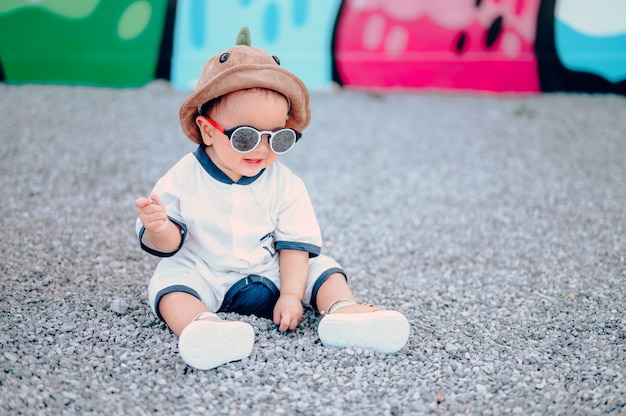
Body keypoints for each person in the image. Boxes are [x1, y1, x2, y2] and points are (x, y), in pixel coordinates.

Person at [135, 27, 410, 370]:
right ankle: (200, 325)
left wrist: (292, 295)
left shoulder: (285, 183)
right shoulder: (183, 177)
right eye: (246, 137)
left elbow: (294, 246)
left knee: (321, 268)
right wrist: (159, 228)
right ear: (207, 130)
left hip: (271, 273)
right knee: (169, 280)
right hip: (205, 272)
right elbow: (169, 242)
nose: (263, 150)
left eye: (278, 138)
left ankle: (342, 310)